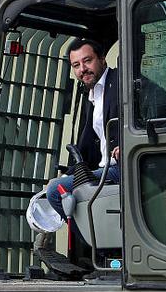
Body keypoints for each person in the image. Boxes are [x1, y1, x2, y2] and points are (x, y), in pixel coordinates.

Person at [46, 38, 120, 218]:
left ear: (102, 59)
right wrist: (67, 175)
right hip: (105, 170)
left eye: (87, 61)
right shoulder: (93, 94)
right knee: (59, 187)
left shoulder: (121, 81)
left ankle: (89, 236)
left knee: (55, 191)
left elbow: (163, 103)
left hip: (122, 169)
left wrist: (129, 143)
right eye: (76, 65)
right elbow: (87, 144)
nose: (82, 69)